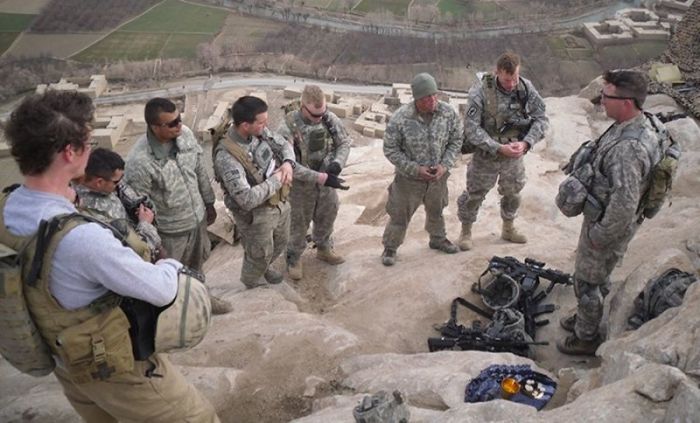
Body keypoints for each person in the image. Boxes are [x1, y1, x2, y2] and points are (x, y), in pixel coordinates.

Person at [1, 90, 219, 422]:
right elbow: (162, 288)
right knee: (197, 417)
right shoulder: (82, 239)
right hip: (112, 365)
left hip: (65, 360)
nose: (91, 153)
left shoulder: (9, 208)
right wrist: (169, 264)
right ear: (70, 151)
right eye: (87, 145)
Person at [556, 70, 666, 355]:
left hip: (607, 227)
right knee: (597, 276)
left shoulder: (629, 149)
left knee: (587, 281)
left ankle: (585, 337)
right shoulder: (636, 125)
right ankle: (586, 317)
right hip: (608, 220)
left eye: (607, 96)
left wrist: (599, 236)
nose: (601, 100)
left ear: (627, 102)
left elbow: (624, 203)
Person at [125, 97, 231, 314]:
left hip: (197, 220)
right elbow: (139, 209)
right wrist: (154, 242)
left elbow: (200, 170)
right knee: (170, 277)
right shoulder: (140, 162)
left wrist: (209, 202)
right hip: (170, 233)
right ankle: (176, 315)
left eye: (179, 119)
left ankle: (202, 299)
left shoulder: (186, 136)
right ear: (155, 127)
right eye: (171, 123)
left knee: (198, 266)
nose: (179, 126)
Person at [457, 52, 549, 250]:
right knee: (474, 194)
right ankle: (466, 231)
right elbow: (471, 129)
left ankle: (508, 228)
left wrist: (526, 143)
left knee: (513, 193)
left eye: (515, 78)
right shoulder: (480, 92)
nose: (512, 84)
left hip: (514, 155)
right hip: (486, 156)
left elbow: (541, 119)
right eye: (507, 80)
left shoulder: (525, 88)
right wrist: (497, 147)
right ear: (496, 72)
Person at [381, 73, 463, 266]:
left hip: (437, 178)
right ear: (417, 99)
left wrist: (445, 165)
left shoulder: (448, 114)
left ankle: (438, 239)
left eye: (435, 95)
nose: (433, 100)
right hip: (409, 181)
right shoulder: (401, 118)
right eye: (427, 97)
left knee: (437, 211)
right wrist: (415, 169)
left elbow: (456, 140)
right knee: (399, 215)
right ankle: (390, 247)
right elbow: (390, 149)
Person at [212, 96, 295, 289]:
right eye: (261, 122)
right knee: (260, 252)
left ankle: (263, 268)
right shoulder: (227, 157)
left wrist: (288, 164)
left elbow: (283, 145)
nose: (266, 126)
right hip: (255, 214)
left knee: (281, 241)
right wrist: (277, 179)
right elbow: (247, 199)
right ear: (245, 125)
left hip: (278, 201)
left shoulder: (258, 132)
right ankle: (251, 281)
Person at [277, 84, 352, 280]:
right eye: (314, 115)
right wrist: (320, 177)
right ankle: (293, 257)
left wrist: (336, 164)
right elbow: (289, 164)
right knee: (298, 224)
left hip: (325, 182)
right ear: (303, 107)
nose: (320, 118)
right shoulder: (287, 127)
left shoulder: (328, 118)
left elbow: (344, 142)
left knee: (328, 213)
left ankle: (324, 247)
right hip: (300, 188)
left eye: (322, 113)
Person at [74, 147, 162, 260]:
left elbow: (124, 190)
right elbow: (132, 252)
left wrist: (137, 206)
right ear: (99, 182)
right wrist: (145, 224)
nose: (120, 183)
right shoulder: (88, 212)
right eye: (116, 182)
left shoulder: (107, 186)